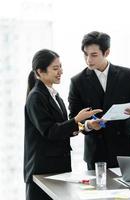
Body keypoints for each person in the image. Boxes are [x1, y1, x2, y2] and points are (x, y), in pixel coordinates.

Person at [24, 49, 101, 200]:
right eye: (55, 68)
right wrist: (76, 120)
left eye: (61, 67)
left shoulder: (55, 96)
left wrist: (87, 126)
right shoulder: (36, 97)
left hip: (58, 167)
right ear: (40, 71)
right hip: (43, 170)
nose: (60, 71)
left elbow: (63, 128)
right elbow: (50, 131)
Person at [68, 31, 130, 170]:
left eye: (94, 55)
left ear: (106, 52)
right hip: (96, 150)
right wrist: (88, 124)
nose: (89, 59)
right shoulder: (77, 81)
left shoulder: (127, 75)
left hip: (125, 148)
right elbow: (74, 117)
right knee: (98, 191)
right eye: (85, 54)